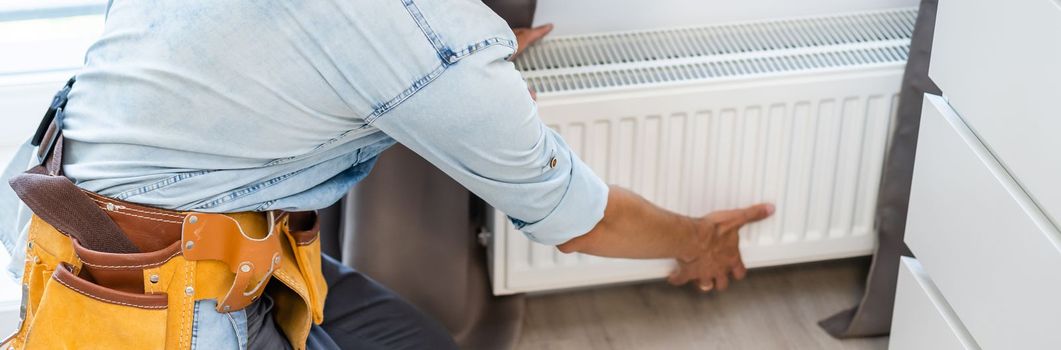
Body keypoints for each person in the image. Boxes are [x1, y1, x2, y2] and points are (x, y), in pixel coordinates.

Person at [0, 1, 773, 349]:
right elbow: (584, 221)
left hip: (91, 214)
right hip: (156, 306)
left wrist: (459, 61)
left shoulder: (419, 41)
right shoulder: (423, 42)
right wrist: (700, 240)